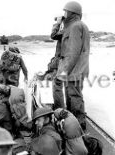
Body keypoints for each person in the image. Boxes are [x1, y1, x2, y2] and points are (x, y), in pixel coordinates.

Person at [56, 1, 90, 131]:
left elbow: (73, 52)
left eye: (66, 12)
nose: (64, 14)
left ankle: (78, 126)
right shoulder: (75, 25)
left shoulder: (76, 26)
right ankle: (74, 123)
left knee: (74, 98)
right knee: (73, 96)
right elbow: (54, 36)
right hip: (76, 69)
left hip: (74, 69)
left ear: (72, 13)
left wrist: (64, 72)